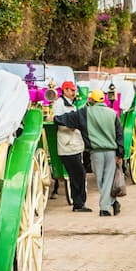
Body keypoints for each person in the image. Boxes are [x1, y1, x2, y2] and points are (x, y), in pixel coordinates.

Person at [54, 89, 124, 217]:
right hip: (111, 151)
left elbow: (66, 119)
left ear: (91, 100)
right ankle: (112, 203)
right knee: (108, 179)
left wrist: (56, 118)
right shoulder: (113, 114)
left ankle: (104, 209)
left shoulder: (86, 112)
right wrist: (120, 153)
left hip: (96, 152)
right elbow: (119, 134)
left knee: (100, 181)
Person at [52, 80, 90, 212]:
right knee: (78, 174)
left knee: (78, 174)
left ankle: (79, 203)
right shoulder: (59, 104)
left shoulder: (71, 104)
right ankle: (78, 203)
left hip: (74, 145)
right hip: (67, 146)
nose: (74, 93)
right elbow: (57, 119)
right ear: (65, 91)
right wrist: (75, 120)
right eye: (72, 90)